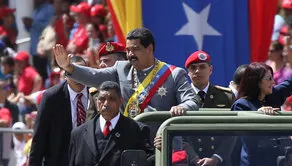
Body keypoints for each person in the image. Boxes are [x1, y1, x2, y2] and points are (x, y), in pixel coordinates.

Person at [52, 28, 199, 118]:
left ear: (149, 49)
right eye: (128, 50)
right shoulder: (121, 68)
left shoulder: (173, 73)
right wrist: (69, 67)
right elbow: (94, 76)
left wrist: (182, 107)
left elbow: (192, 101)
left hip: (161, 142)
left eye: (135, 49)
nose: (130, 54)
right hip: (129, 143)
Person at [27, 55, 91, 166]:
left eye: (83, 73)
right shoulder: (52, 98)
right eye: (74, 73)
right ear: (65, 75)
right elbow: (40, 135)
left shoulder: (98, 95)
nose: (79, 78)